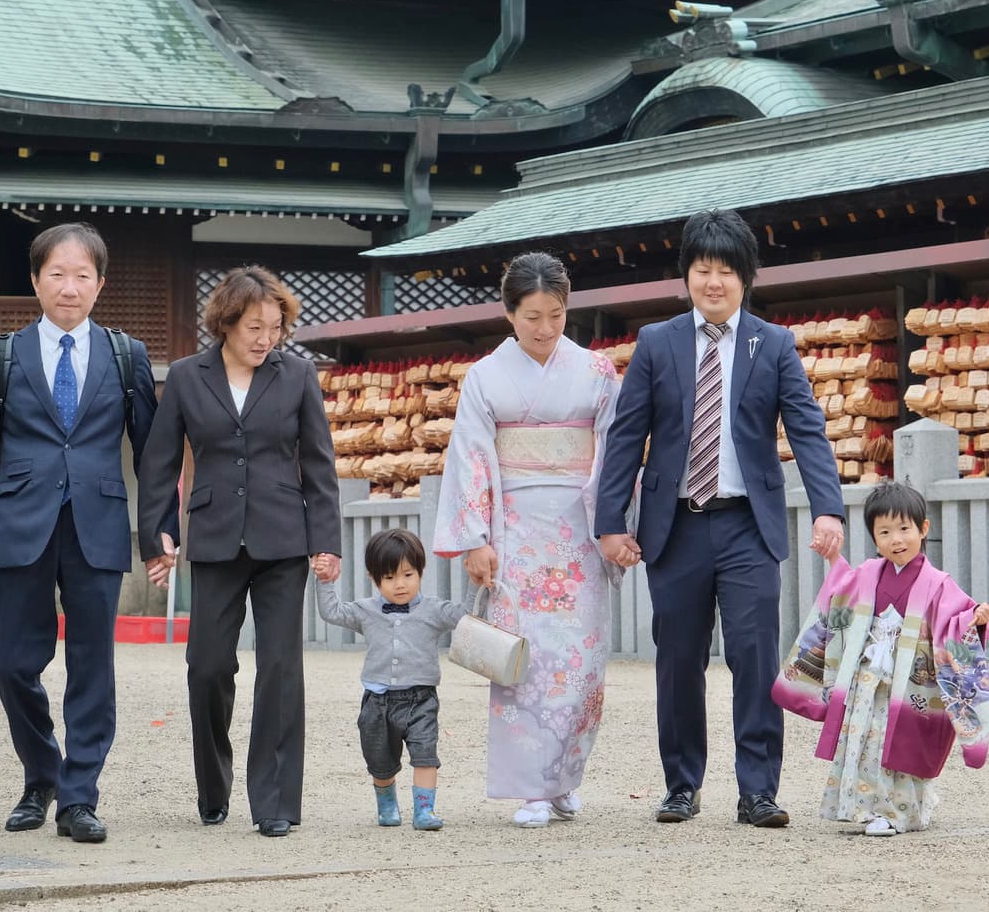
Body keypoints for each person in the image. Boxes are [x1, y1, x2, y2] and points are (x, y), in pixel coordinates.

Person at [593, 208, 846, 828]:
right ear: (687, 276)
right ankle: (681, 785)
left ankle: (758, 790)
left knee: (754, 656)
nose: (714, 282)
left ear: (746, 278)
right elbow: (628, 437)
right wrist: (610, 520)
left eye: (726, 271)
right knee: (677, 659)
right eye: (703, 269)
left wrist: (828, 509)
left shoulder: (774, 343)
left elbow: (807, 431)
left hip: (746, 527)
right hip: (674, 528)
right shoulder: (656, 344)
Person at [0, 222, 173, 844]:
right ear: (35, 280)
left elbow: (152, 454)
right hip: (19, 523)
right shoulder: (0, 356)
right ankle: (41, 774)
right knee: (13, 665)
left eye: (82, 276)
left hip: (97, 525)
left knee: (91, 668)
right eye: (56, 274)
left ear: (101, 284)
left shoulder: (126, 355)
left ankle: (78, 798)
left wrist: (160, 533)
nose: (68, 288)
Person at [138, 266, 341, 838]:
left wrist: (325, 541)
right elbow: (158, 462)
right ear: (225, 323)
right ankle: (213, 784)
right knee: (206, 667)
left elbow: (319, 463)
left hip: (282, 538)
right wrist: (158, 534)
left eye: (275, 327)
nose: (265, 338)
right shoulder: (185, 376)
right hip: (214, 536)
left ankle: (275, 802)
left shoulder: (298, 374)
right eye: (254, 326)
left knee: (279, 668)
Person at [433, 251, 621, 829]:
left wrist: (612, 525)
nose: (544, 329)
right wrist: (476, 539)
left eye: (556, 315)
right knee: (525, 658)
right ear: (509, 313)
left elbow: (613, 453)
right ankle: (529, 788)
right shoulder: (487, 377)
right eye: (532, 316)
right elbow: (469, 458)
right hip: (513, 532)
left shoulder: (597, 373)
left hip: (578, 531)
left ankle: (564, 778)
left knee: (581, 660)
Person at [772, 481, 989, 836]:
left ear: (923, 529)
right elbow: (840, 597)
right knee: (866, 738)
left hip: (912, 680)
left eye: (904, 529)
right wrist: (834, 560)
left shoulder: (939, 583)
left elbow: (958, 621)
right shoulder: (866, 574)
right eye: (885, 531)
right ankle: (862, 807)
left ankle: (898, 811)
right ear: (874, 538)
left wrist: (976, 621)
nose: (896, 539)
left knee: (899, 741)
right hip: (868, 677)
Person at [313, 529, 471, 831]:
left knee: (425, 754)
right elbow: (331, 612)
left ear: (420, 572)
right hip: (377, 701)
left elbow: (465, 614)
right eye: (389, 578)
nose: (400, 584)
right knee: (380, 761)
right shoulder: (366, 611)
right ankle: (387, 804)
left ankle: (424, 811)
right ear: (374, 579)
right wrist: (325, 581)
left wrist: (476, 583)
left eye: (408, 575)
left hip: (421, 698)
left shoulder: (435, 610)